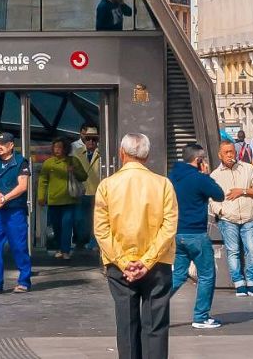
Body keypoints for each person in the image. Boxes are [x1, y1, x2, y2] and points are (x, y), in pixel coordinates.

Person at [93, 133, 178, 359]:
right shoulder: (163, 184)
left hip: (119, 265)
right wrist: (147, 261)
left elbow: (102, 230)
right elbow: (169, 227)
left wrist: (123, 262)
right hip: (157, 264)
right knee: (156, 326)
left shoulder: (107, 185)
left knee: (127, 324)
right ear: (147, 155)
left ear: (122, 153)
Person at [167, 144, 225, 329]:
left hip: (177, 232)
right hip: (196, 233)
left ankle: (154, 306)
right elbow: (219, 194)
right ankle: (201, 316)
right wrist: (206, 175)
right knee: (207, 274)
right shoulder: (199, 179)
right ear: (199, 160)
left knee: (178, 274)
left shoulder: (172, 177)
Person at [0, 132, 32, 295]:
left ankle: (24, 281)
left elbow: (22, 186)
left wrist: (4, 198)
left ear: (11, 145)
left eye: (3, 143)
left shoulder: (20, 162)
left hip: (14, 211)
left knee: (18, 246)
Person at [211, 139, 253, 296]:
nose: (230, 155)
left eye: (232, 151)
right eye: (226, 152)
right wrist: (221, 212)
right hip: (228, 219)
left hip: (248, 217)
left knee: (252, 250)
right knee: (233, 251)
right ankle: (239, 283)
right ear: (220, 155)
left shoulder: (248, 169)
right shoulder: (215, 175)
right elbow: (212, 199)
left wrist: (243, 191)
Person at [35, 139, 85, 259]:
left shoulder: (73, 161)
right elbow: (43, 181)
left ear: (66, 149)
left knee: (67, 225)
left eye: (60, 147)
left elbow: (84, 176)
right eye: (55, 147)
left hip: (69, 200)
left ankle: (65, 250)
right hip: (53, 201)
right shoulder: (48, 163)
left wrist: (74, 171)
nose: (57, 150)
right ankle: (58, 248)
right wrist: (41, 197)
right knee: (56, 226)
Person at [73, 125, 104, 253]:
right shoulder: (77, 153)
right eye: (88, 139)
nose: (91, 141)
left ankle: (94, 243)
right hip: (81, 191)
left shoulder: (103, 153)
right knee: (80, 219)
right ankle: (80, 242)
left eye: (94, 139)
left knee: (96, 220)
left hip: (98, 192)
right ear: (84, 139)